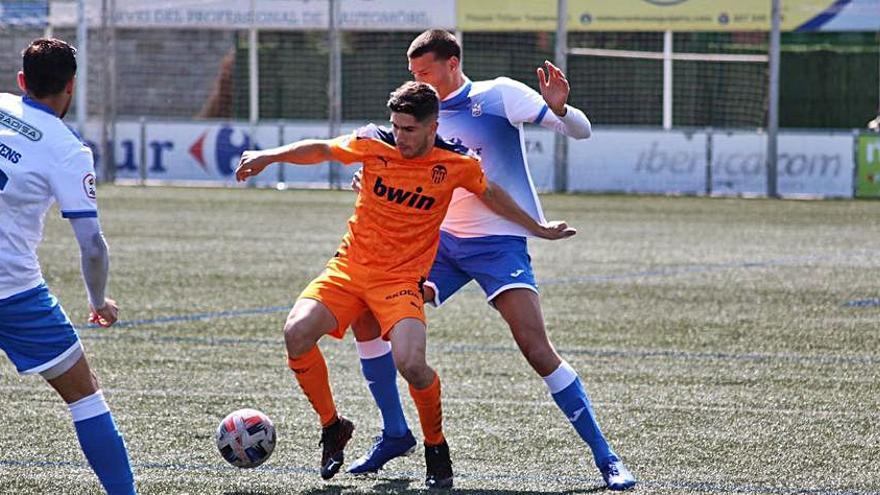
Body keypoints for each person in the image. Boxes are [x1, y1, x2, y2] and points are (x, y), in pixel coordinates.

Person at [234, 81, 574, 489]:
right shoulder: (373, 142)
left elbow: (492, 195)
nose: (400, 136)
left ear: (433, 127)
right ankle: (333, 426)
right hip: (350, 269)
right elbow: (323, 149)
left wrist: (538, 228)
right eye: (395, 126)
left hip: (399, 281)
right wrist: (268, 157)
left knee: (411, 364)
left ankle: (435, 445)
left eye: (409, 130)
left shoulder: (456, 163)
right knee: (296, 333)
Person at [347, 30, 636, 491]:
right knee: (365, 313)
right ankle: (396, 432)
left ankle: (607, 459)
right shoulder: (422, 116)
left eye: (425, 71)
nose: (418, 79)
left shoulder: (498, 95)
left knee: (536, 349)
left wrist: (560, 108)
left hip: (500, 244)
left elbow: (580, 130)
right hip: (437, 244)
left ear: (452, 63)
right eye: (413, 73)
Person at [0, 39, 136, 495]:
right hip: (14, 291)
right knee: (84, 394)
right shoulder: (68, 149)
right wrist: (99, 302)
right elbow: (92, 246)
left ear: (22, 81)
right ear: (71, 86)